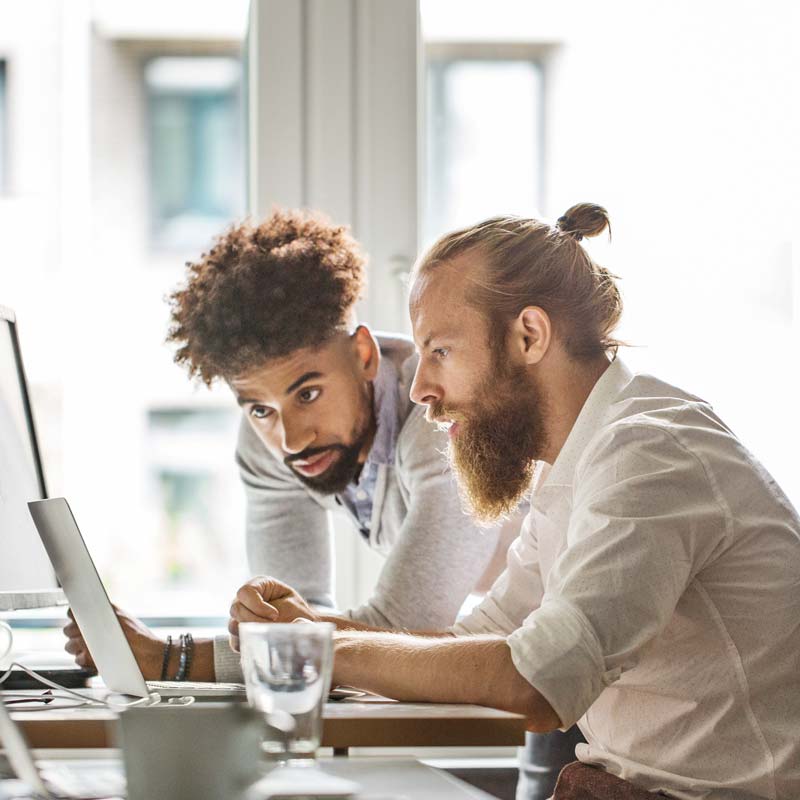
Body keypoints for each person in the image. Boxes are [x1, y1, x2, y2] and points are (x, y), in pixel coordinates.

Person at [229, 204, 800, 798]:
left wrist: (323, 648)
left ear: (529, 335)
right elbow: (479, 637)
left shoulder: (651, 450)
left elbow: (538, 681)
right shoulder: (575, 466)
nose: (421, 388)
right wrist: (308, 630)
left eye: (441, 352)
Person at [62, 209, 506, 683]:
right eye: (259, 409)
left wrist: (172, 658)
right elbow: (290, 624)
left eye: (308, 394)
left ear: (363, 355)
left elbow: (400, 638)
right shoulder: (268, 445)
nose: (292, 439)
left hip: (570, 647)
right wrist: (265, 637)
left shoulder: (442, 419)